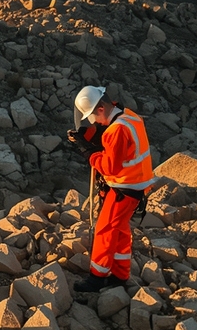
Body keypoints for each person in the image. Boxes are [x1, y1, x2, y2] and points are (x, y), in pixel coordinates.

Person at [65, 86, 154, 291]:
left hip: (125, 188)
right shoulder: (128, 116)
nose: (92, 122)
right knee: (120, 229)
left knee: (105, 229)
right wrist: (91, 136)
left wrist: (88, 151)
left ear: (102, 109)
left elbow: (109, 167)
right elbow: (115, 138)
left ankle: (97, 277)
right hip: (136, 184)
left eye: (92, 117)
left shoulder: (117, 130)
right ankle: (120, 274)